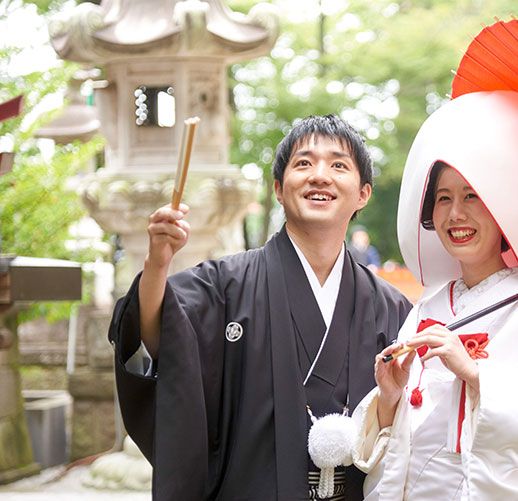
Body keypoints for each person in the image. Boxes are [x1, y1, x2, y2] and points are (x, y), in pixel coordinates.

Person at [108, 114, 413, 500]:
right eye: (303, 163)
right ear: (279, 190)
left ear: (363, 194)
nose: (320, 175)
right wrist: (157, 263)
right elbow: (154, 335)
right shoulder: (226, 285)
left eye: (338, 165)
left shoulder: (392, 307)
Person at [351, 91, 518, 500]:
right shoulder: (429, 305)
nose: (456, 214)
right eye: (444, 198)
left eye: (472, 196)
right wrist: (390, 395)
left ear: (502, 208)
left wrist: (475, 374)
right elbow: (404, 426)